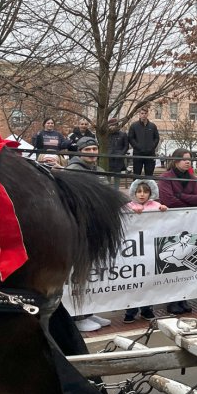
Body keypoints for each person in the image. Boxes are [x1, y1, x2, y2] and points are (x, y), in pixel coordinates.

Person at [65, 136, 113, 331]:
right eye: (89, 150)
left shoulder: (99, 170)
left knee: (89, 275)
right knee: (76, 275)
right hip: (78, 228)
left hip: (94, 226)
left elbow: (107, 194)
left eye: (95, 149)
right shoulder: (73, 170)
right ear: (80, 151)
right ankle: (76, 316)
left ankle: (88, 311)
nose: (93, 153)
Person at [158, 148, 197, 314]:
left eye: (189, 159)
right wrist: (185, 200)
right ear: (176, 160)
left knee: (185, 263)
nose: (188, 162)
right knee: (172, 266)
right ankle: (171, 300)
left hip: (188, 225)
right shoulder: (165, 177)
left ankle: (183, 298)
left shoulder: (192, 177)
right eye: (184, 159)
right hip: (171, 225)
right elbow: (168, 200)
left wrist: (180, 195)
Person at [123, 179, 166, 322]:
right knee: (134, 280)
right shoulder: (128, 206)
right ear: (134, 192)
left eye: (145, 191)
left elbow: (165, 219)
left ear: (151, 193)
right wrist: (131, 212)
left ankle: (147, 309)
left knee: (149, 280)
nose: (142, 195)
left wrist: (163, 210)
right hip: (134, 251)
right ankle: (130, 310)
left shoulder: (156, 205)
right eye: (139, 191)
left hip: (150, 249)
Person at [128, 107, 160, 176]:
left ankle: (148, 187)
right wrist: (137, 147)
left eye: (145, 113)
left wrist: (152, 147)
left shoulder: (152, 126)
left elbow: (157, 138)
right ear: (139, 114)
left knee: (149, 176)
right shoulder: (134, 126)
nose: (143, 115)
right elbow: (131, 138)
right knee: (136, 175)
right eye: (142, 113)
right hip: (138, 154)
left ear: (147, 114)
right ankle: (136, 187)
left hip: (150, 154)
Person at [107, 117, 130, 189]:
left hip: (118, 158)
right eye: (111, 125)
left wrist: (121, 154)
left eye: (114, 125)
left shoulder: (123, 134)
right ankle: (107, 190)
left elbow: (126, 146)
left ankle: (116, 191)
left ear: (117, 125)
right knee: (108, 176)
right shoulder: (106, 135)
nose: (112, 126)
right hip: (108, 158)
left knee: (117, 176)